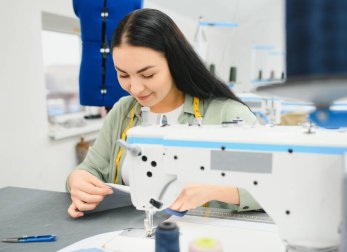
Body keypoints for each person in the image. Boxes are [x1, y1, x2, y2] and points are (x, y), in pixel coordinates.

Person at [67, 8, 261, 218]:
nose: (135, 88)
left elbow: (275, 187)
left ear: (175, 62)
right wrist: (77, 180)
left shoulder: (228, 115)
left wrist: (218, 190)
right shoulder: (123, 111)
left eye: (148, 74)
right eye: (123, 75)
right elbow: (91, 168)